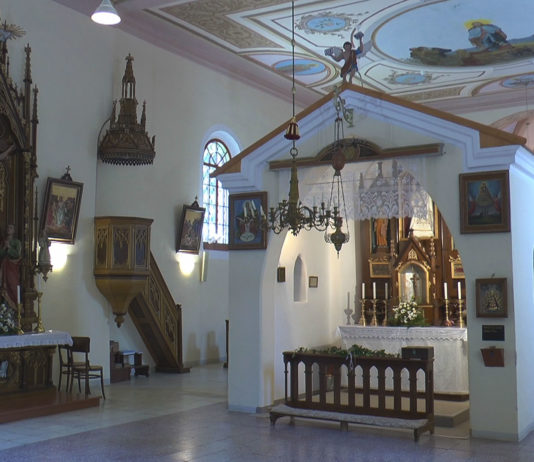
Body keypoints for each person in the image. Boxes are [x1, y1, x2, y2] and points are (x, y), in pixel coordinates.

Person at [0, 224, 22, 307]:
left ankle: (15, 306)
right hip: (4, 267)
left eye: (11, 228)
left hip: (12, 267)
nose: (8, 229)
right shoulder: (3, 242)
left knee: (13, 284)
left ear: (14, 231)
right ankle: (4, 305)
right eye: (7, 227)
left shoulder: (17, 242)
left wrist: (9, 247)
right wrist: (4, 247)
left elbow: (17, 255)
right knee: (4, 285)